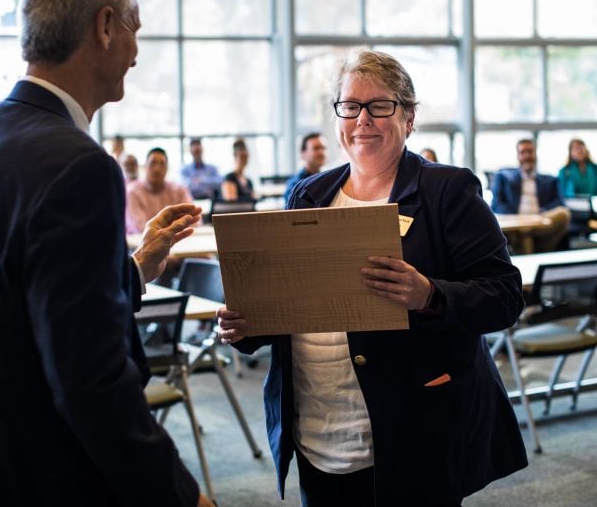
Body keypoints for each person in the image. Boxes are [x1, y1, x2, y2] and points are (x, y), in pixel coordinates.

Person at [0, 0, 212, 507]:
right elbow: (90, 380)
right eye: (133, 29)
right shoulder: (79, 167)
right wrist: (179, 495)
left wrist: (137, 268)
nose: (136, 53)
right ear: (103, 26)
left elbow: (14, 301)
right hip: (31, 470)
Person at [218, 50, 527, 506]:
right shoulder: (309, 193)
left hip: (412, 430)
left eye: (380, 106)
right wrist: (248, 325)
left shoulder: (447, 190)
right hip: (318, 429)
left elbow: (505, 296)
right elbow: (292, 299)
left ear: (408, 116)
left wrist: (429, 294)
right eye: (350, 106)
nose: (363, 119)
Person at [491, 138, 570, 253]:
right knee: (524, 236)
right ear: (518, 156)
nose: (527, 155)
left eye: (530, 151)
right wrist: (518, 218)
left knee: (564, 214)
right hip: (516, 220)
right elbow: (496, 204)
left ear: (535, 154)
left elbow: (560, 202)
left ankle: (527, 233)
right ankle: (534, 245)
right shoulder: (504, 177)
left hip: (540, 218)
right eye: (523, 152)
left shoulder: (548, 179)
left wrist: (542, 211)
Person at [126, 147, 195, 234]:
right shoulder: (132, 192)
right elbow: (141, 228)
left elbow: (193, 220)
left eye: (162, 164)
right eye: (153, 163)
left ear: (167, 168)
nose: (157, 169)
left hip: (180, 244)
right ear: (145, 166)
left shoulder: (179, 190)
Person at [284, 132, 327, 204]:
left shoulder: (329, 179)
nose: (321, 152)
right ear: (303, 154)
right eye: (316, 148)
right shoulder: (295, 185)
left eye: (324, 148)